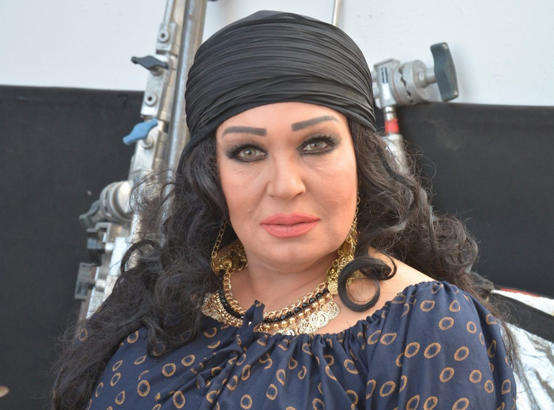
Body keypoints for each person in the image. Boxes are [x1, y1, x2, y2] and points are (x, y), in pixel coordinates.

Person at [51, 11, 517, 410]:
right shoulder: (160, 291)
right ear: (211, 172)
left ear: (361, 159)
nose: (286, 186)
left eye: (316, 144)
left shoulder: (427, 327)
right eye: (248, 152)